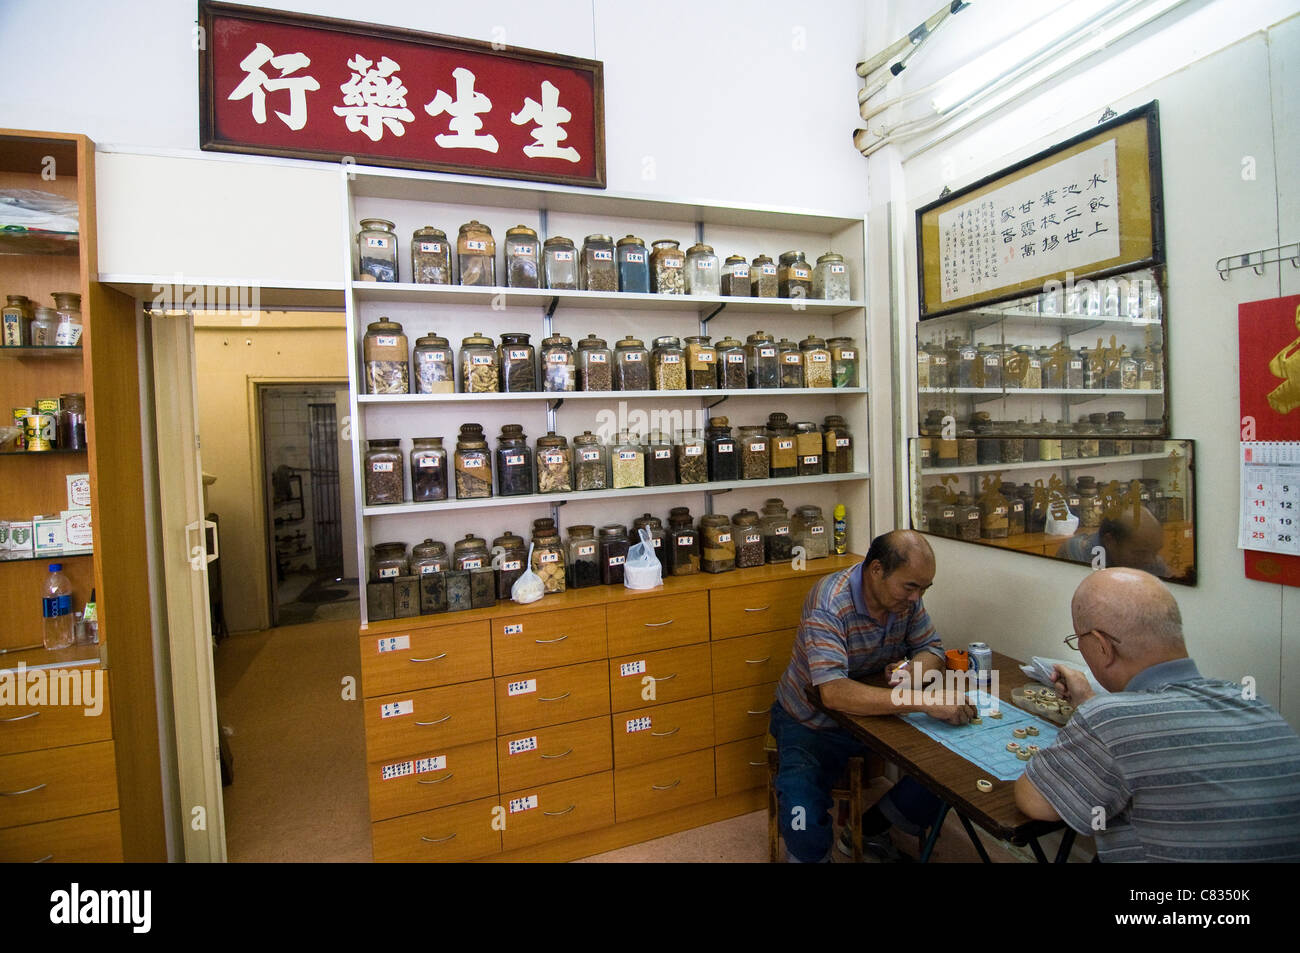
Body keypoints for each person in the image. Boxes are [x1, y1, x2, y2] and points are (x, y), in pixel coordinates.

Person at [1015, 568, 1300, 862]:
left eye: (1078, 640)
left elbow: (1035, 801)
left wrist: (1094, 714)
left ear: (1102, 646)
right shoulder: (1249, 700)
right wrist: (1089, 702)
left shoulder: (1110, 721)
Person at [770, 529, 975, 863]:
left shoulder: (907, 600)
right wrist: (924, 701)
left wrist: (912, 672)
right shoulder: (829, 603)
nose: (916, 598)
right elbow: (833, 693)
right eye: (910, 587)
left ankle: (872, 828)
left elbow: (931, 649)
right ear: (877, 570)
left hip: (876, 715)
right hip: (811, 721)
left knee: (952, 765)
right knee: (801, 810)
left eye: (924, 589)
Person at [1055, 505, 1168, 576]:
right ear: (1110, 541)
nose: (1150, 560)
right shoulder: (1079, 552)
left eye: (1155, 551)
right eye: (1140, 553)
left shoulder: (1152, 560)